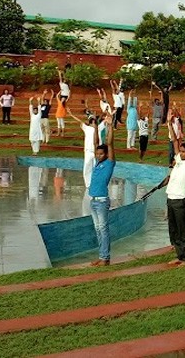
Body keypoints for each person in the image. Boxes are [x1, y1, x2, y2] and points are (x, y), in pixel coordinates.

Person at [147, 119, 185, 266]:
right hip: (171, 199)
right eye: (180, 151)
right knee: (173, 231)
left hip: (181, 201)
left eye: (183, 151)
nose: (180, 153)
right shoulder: (178, 160)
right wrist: (169, 124)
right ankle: (179, 255)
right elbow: (174, 140)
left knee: (183, 230)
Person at [87, 113, 116, 266]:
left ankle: (105, 258)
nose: (98, 155)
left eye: (101, 153)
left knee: (103, 230)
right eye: (97, 153)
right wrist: (96, 128)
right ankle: (102, 256)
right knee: (98, 230)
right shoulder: (97, 164)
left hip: (102, 201)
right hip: (93, 201)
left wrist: (110, 126)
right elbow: (96, 143)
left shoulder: (109, 163)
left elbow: (110, 144)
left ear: (106, 154)